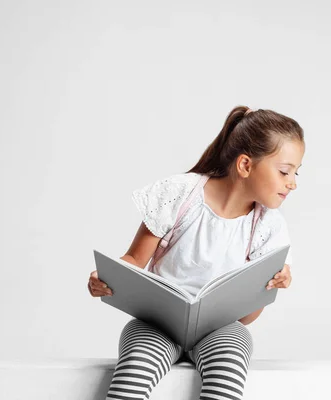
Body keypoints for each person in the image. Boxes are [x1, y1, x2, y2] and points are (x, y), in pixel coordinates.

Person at [88, 105, 305, 400]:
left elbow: (246, 318)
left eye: (295, 173)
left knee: (229, 373)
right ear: (245, 165)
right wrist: (107, 277)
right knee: (132, 376)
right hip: (157, 323)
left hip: (221, 329)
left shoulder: (268, 226)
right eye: (284, 172)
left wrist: (269, 285)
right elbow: (134, 260)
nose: (292, 183)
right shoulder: (179, 195)